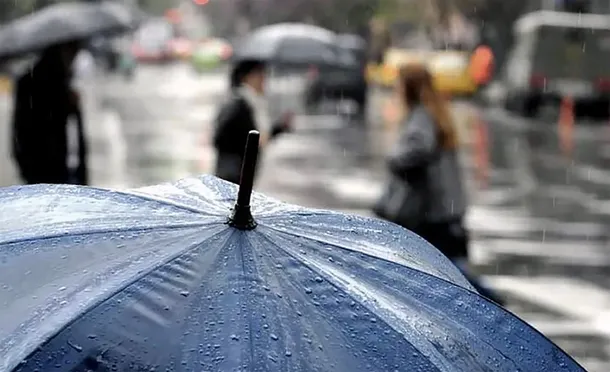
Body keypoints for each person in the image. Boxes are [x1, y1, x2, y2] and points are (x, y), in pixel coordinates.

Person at [373, 62, 503, 304]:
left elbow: (418, 149)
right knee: (447, 270)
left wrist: (395, 159)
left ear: (408, 88)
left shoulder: (421, 117)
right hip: (443, 211)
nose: (396, 91)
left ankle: (491, 303)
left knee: (446, 273)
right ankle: (488, 302)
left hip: (431, 213)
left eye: (399, 85)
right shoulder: (433, 114)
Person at [11, 41, 89, 185]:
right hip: (48, 168)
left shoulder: (62, 83)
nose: (73, 59)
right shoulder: (44, 85)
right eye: (72, 53)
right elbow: (23, 129)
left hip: (48, 168)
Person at [213, 59, 292, 184]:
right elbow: (220, 137)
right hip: (233, 174)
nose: (263, 81)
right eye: (259, 75)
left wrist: (280, 128)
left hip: (244, 171)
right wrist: (242, 149)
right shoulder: (238, 103)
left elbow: (258, 138)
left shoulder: (253, 102)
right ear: (247, 77)